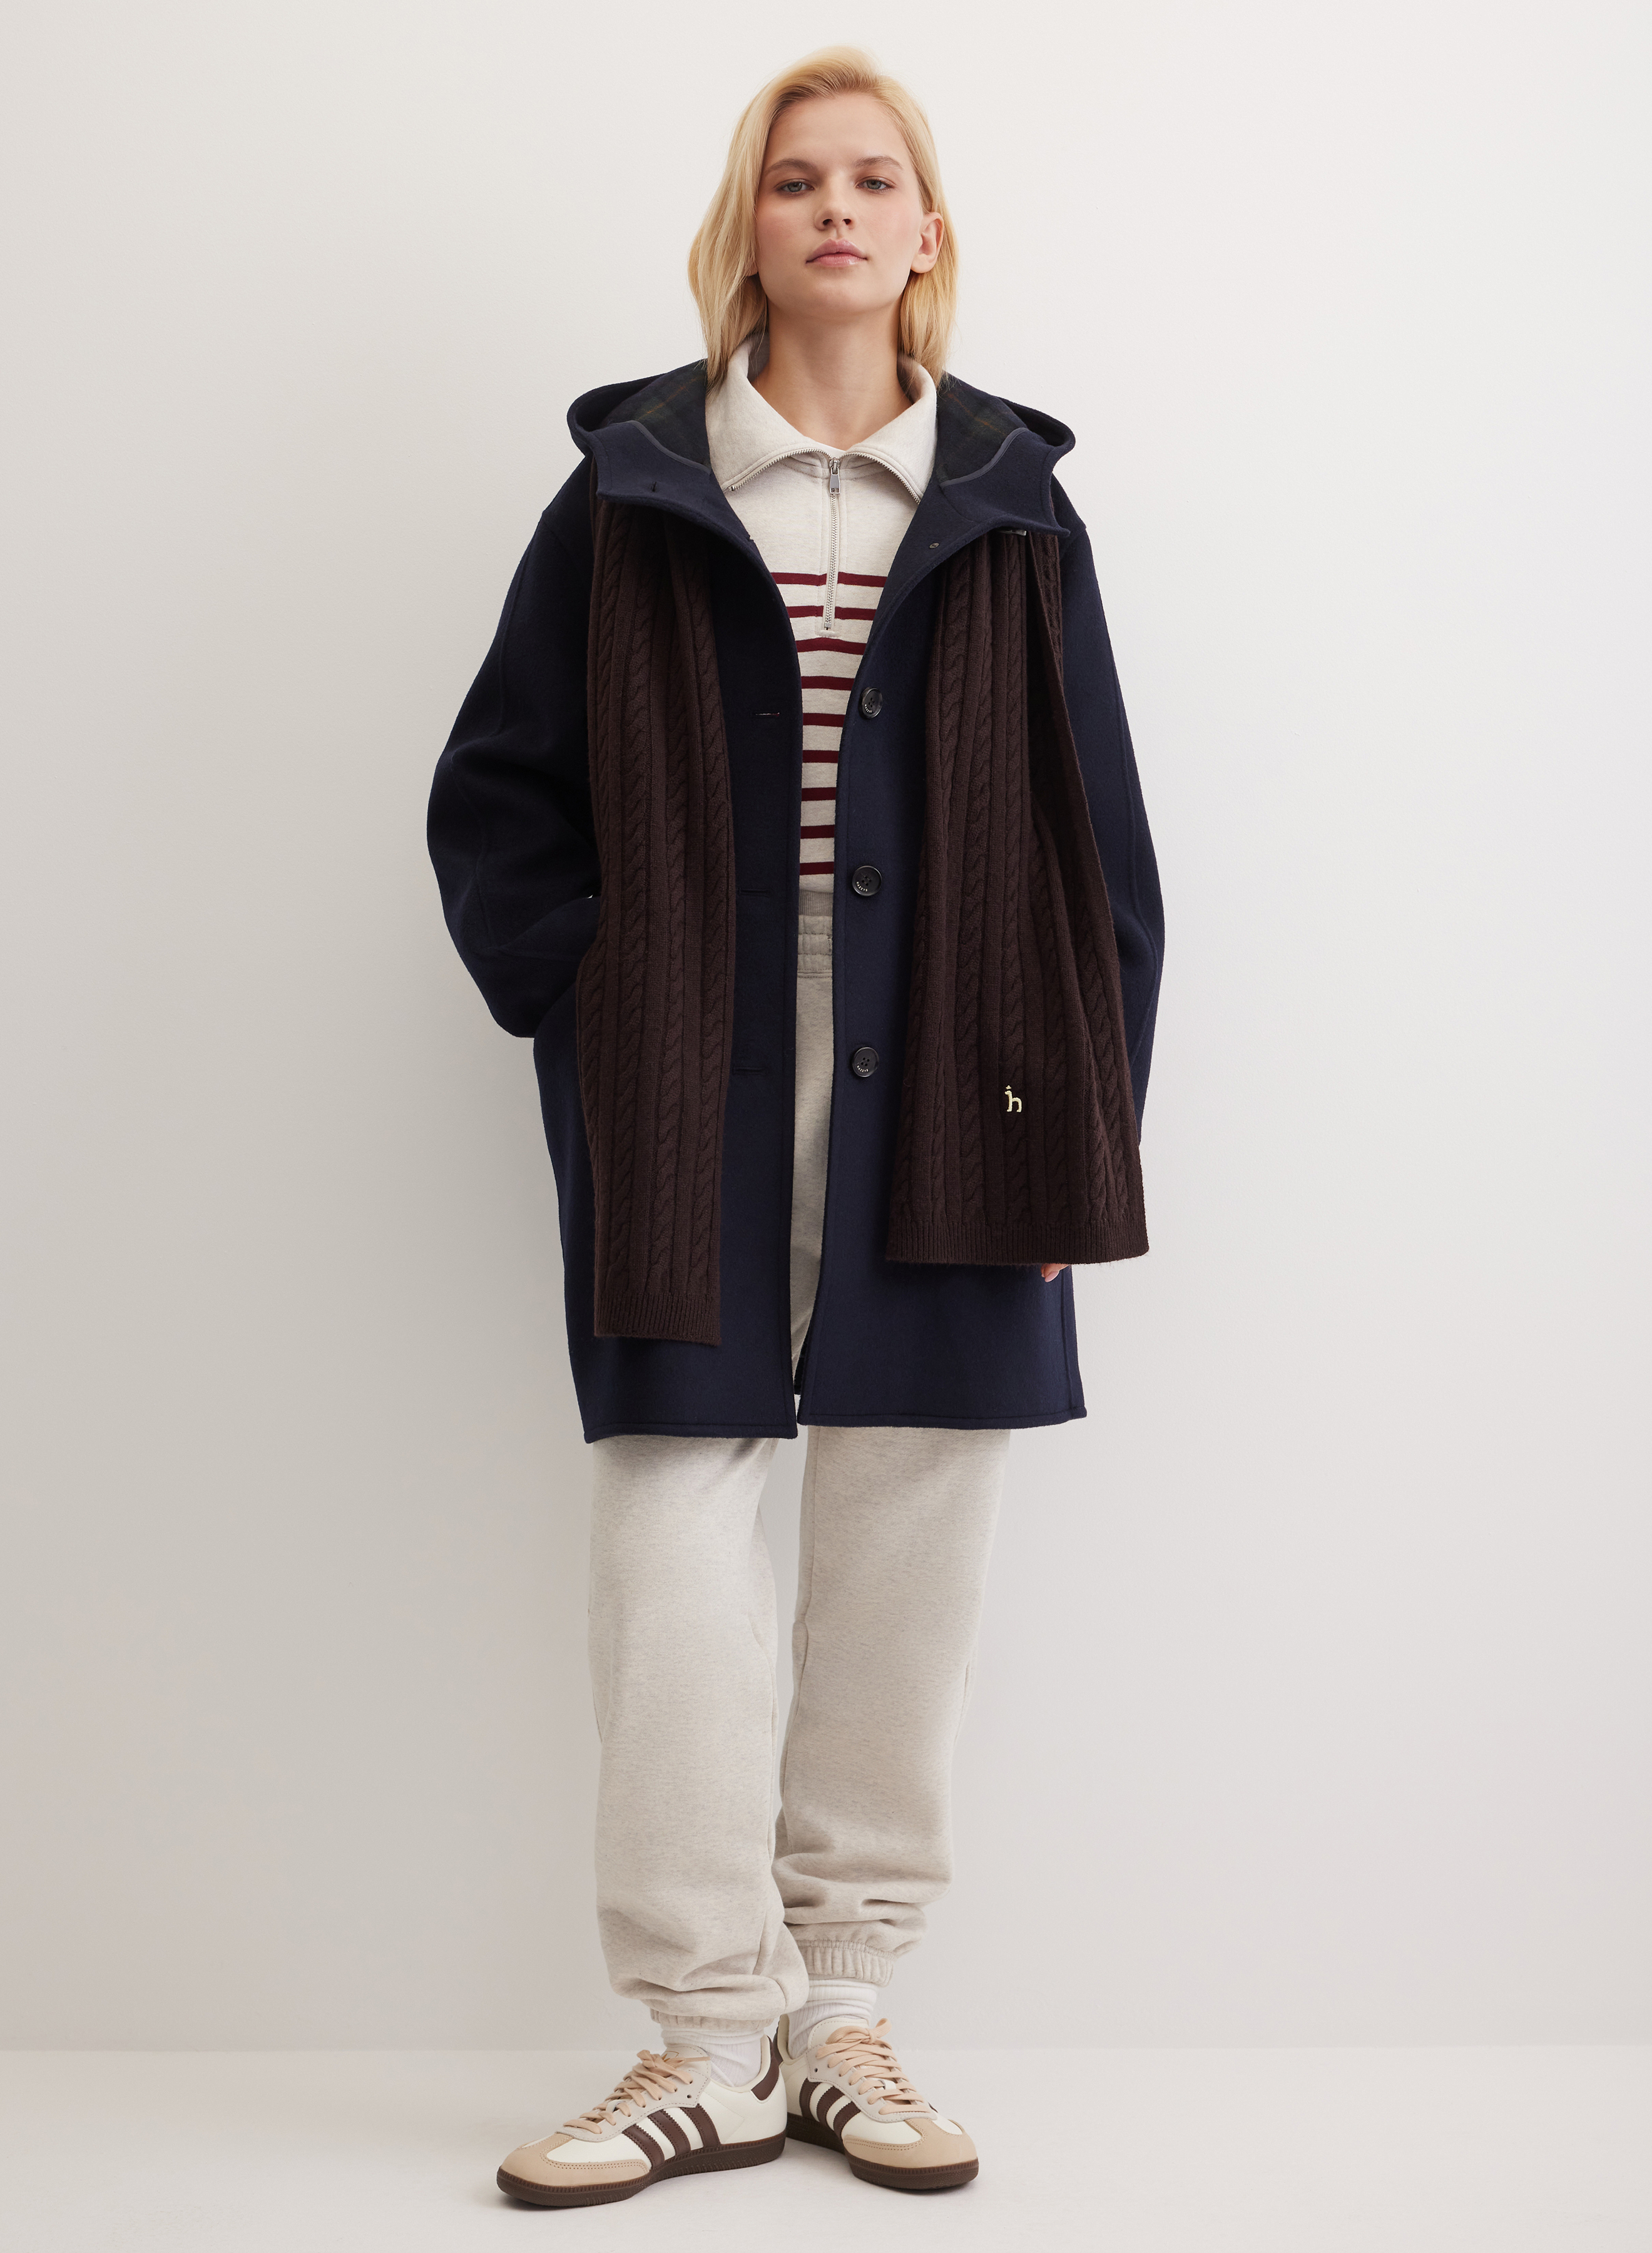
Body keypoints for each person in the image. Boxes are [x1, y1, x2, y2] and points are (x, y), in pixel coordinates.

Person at [427, 46, 1163, 2210]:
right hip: (690, 1063)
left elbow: (1099, 851)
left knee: (910, 1543)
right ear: (746, 227)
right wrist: (588, 997)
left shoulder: (1013, 505)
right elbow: (499, 795)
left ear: (928, 233)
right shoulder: (633, 492)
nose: (837, 208)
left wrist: (1080, 1131)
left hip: (964, 1067)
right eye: (795, 179)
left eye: (875, 179)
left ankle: (843, 2013)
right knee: (672, 1547)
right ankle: (701, 2037)